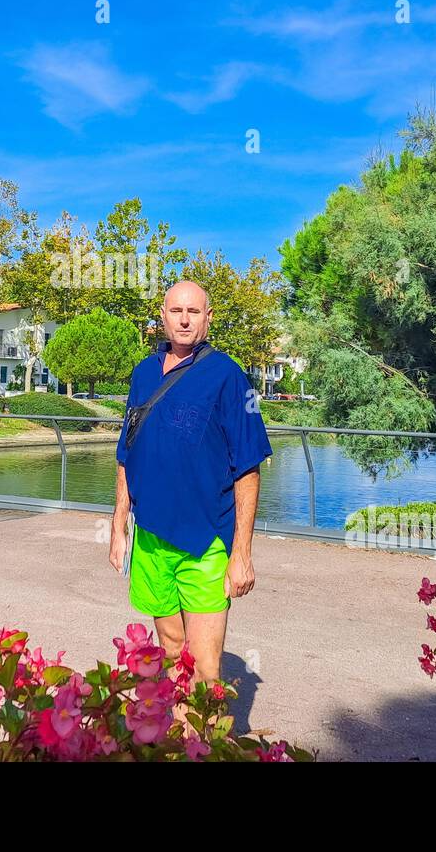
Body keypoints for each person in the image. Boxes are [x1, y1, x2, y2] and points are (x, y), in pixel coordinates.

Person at [110, 280, 272, 686]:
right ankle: (174, 742)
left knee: (204, 668)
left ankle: (204, 745)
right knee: (168, 648)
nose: (184, 320)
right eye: (176, 311)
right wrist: (118, 525)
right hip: (150, 537)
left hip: (205, 543)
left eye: (194, 312)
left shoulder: (229, 377)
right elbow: (126, 453)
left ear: (208, 318)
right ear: (162, 316)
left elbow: (248, 468)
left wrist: (242, 554)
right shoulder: (144, 373)